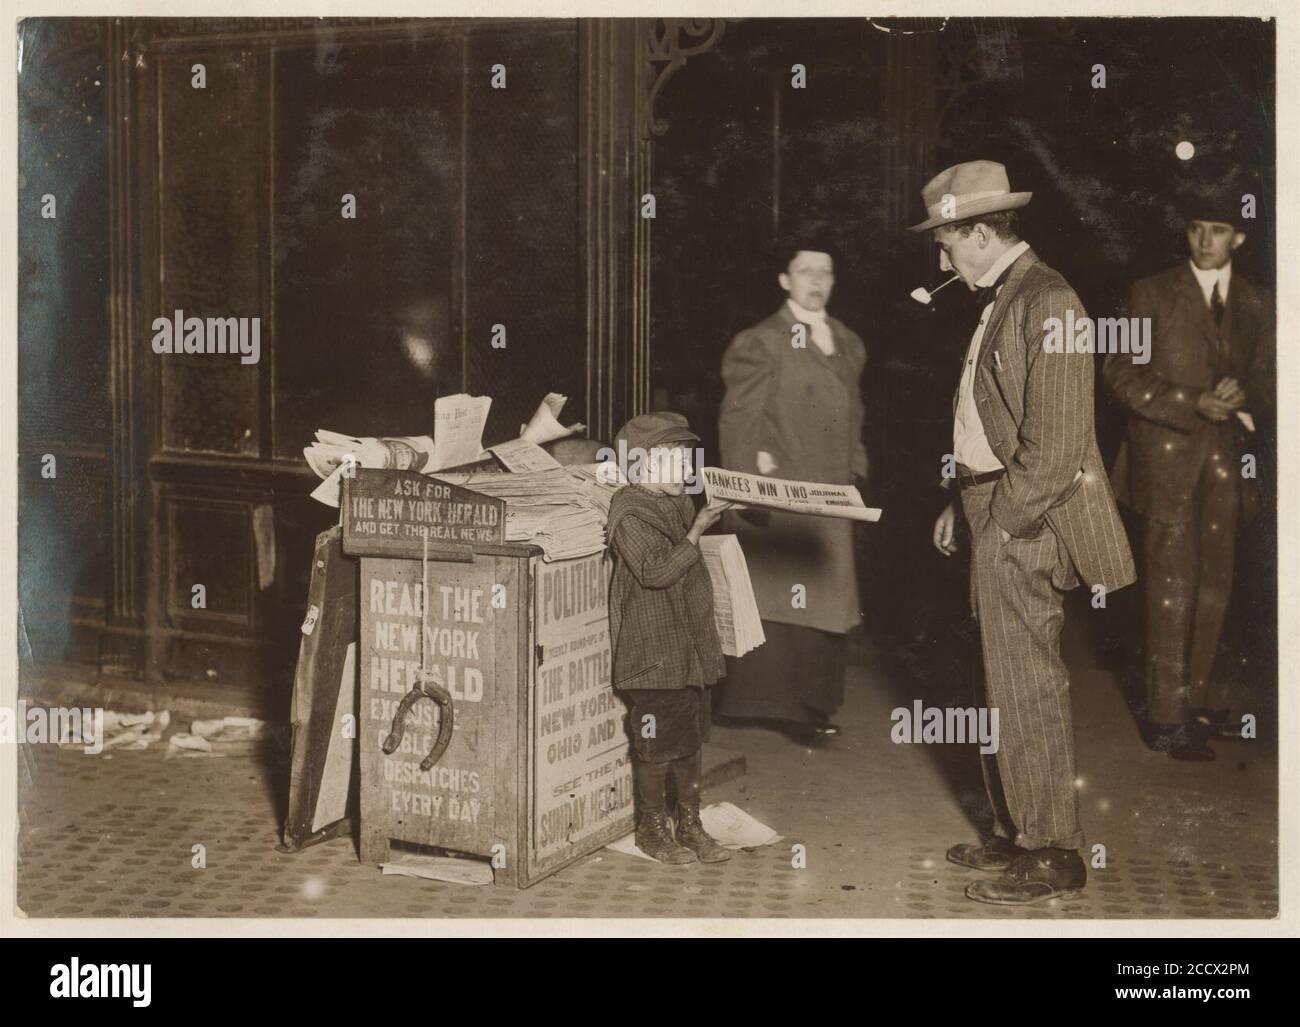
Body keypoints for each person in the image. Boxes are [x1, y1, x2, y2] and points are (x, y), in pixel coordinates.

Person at [915, 160, 1135, 905]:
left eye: (946, 242)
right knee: (998, 677)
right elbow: (991, 425)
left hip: (1026, 518)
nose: (940, 258)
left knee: (1027, 682)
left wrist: (1002, 520)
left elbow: (1059, 444)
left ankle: (1053, 850)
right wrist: (962, 500)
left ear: (980, 232)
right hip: (993, 504)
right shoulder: (1005, 296)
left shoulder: (1050, 299)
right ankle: (1016, 829)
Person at [1103, 196, 1274, 761]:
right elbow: (1120, 371)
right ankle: (1165, 716)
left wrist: (1244, 396)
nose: (1204, 241)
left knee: (1216, 585)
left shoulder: (1257, 302)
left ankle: (1195, 700)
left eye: (1218, 231)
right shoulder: (1150, 292)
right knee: (1171, 589)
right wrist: (1192, 401)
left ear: (1239, 240)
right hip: (1165, 462)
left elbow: (1275, 375)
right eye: (1196, 228)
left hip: (1228, 460)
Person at [715, 241, 868, 743]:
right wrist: (748, 486)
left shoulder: (845, 340)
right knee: (783, 598)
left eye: (826, 271)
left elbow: (854, 415)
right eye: (805, 271)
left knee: (824, 598)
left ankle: (811, 704)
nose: (817, 280)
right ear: (784, 281)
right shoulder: (761, 341)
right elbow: (740, 416)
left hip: (831, 491)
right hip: (779, 488)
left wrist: (857, 469)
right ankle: (779, 708)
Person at [605, 412, 736, 865]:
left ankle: (691, 823)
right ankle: (652, 828)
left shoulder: (676, 502)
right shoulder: (630, 510)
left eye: (686, 457)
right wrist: (698, 530)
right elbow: (656, 571)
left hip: (689, 649)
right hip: (653, 652)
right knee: (657, 745)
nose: (686, 468)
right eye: (674, 459)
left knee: (692, 739)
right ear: (640, 467)